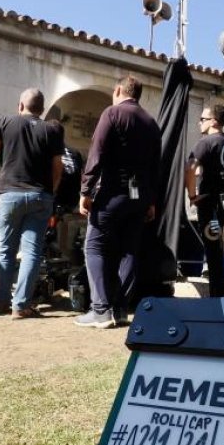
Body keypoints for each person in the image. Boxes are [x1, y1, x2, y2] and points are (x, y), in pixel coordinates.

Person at [76, 75, 161, 328]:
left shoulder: (112, 114)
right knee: (129, 251)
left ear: (118, 90)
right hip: (139, 197)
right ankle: (121, 309)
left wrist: (85, 191)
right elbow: (156, 167)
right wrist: (152, 200)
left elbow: (97, 153)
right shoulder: (151, 123)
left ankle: (100, 309)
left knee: (94, 247)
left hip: (112, 193)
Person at [0, 88, 63, 319]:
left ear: (20, 106)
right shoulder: (51, 130)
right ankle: (21, 305)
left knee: (5, 250)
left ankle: (2, 300)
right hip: (40, 196)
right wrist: (50, 191)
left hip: (9, 195)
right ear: (42, 110)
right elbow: (58, 167)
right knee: (32, 252)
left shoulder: (4, 122)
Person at [185, 104, 224, 298]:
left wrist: (192, 195)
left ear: (214, 121)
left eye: (203, 119)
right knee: (216, 248)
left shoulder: (206, 142)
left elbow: (190, 168)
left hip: (211, 204)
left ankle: (217, 298)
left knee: (213, 252)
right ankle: (219, 294)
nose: (200, 123)